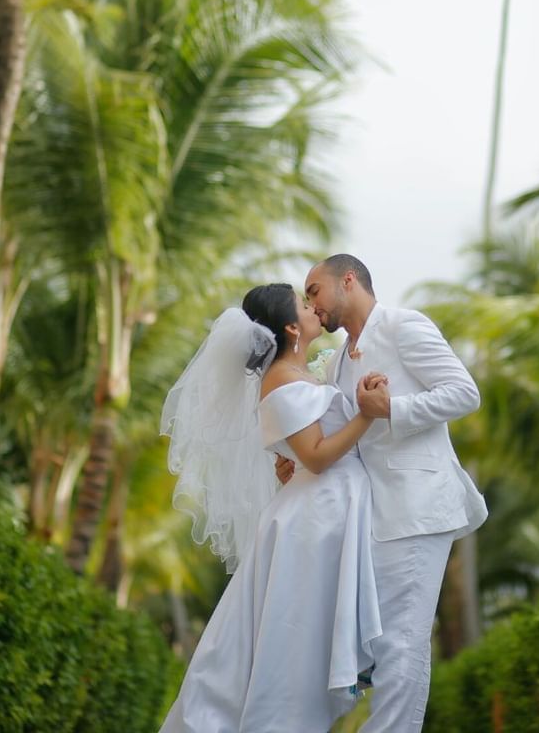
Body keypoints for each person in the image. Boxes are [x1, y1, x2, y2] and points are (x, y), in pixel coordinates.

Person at [159, 283, 390, 733]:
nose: (313, 308)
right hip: (312, 522)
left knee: (295, 643)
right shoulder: (282, 377)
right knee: (291, 647)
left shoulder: (300, 374)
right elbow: (319, 456)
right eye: (305, 304)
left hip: (322, 512)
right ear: (291, 326)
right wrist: (365, 413)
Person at [279, 253, 487, 733]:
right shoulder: (335, 364)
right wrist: (298, 457)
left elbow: (464, 392)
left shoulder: (403, 326)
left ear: (347, 281)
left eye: (314, 291)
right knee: (375, 645)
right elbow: (342, 434)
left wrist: (392, 407)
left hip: (417, 506)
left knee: (402, 641)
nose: (311, 304)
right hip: (371, 517)